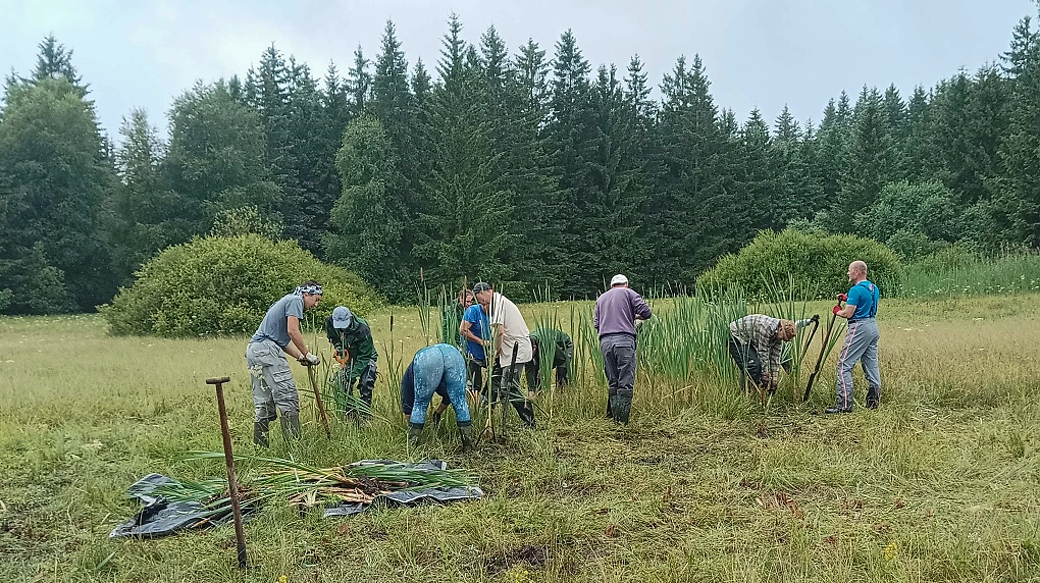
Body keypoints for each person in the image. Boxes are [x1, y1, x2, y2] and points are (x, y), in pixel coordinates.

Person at [246, 280, 323, 447]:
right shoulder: (295, 301)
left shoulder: (286, 301)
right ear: (306, 294)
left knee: (264, 402)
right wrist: (307, 353)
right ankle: (294, 447)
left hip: (255, 350)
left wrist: (300, 357)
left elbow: (282, 340)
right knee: (288, 397)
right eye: (316, 299)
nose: (316, 304)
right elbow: (292, 330)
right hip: (267, 350)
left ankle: (260, 447)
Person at [473, 282, 536, 427]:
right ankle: (484, 417)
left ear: (485, 292)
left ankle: (530, 421)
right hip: (507, 352)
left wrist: (495, 352)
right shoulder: (497, 301)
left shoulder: (497, 303)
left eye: (480, 298)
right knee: (493, 381)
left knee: (509, 388)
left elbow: (499, 332)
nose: (481, 302)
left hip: (515, 351)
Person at [594, 274, 652, 423]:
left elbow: (596, 324)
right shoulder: (630, 293)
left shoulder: (601, 299)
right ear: (626, 284)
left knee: (613, 380)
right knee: (625, 379)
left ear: (611, 285)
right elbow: (646, 313)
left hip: (605, 342)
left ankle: (613, 418)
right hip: (624, 340)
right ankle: (621, 422)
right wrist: (633, 316)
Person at [829, 260, 881, 413]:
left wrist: (837, 310)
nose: (848, 273)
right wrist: (847, 299)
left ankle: (844, 406)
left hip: (859, 327)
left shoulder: (855, 290)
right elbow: (866, 301)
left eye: (850, 270)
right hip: (872, 326)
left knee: (844, 365)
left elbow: (848, 313)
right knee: (871, 365)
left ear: (857, 272)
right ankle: (873, 402)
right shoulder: (873, 288)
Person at [402, 343, 475, 451]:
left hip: (427, 360)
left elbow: (408, 408)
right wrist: (438, 412)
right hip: (453, 355)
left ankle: (413, 448)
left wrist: (413, 426)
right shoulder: (451, 355)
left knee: (420, 404)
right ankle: (468, 446)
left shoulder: (407, 380)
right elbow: (450, 395)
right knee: (460, 401)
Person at [728, 314, 817, 393]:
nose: (782, 339)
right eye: (784, 337)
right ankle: (746, 394)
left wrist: (774, 380)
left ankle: (754, 394)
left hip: (749, 338)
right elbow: (763, 354)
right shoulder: (765, 329)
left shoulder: (778, 334)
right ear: (780, 329)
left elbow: (775, 358)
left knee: (757, 367)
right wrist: (765, 375)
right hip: (735, 335)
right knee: (752, 366)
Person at [325, 306, 378, 417]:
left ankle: (365, 415)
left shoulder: (362, 328)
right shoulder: (330, 322)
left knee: (366, 382)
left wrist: (352, 376)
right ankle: (350, 414)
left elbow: (365, 356)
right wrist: (339, 347)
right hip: (349, 356)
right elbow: (332, 337)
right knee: (342, 382)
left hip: (366, 357)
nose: (342, 329)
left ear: (350, 318)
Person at [459, 295, 491, 395]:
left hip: (489, 353)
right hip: (472, 353)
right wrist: (481, 341)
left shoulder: (495, 314)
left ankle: (486, 402)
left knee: (495, 379)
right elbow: (463, 330)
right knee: (475, 385)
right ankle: (473, 407)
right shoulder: (473, 311)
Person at [528, 327, 573, 392]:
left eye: (532, 354)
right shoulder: (526, 346)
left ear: (534, 348)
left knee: (561, 374)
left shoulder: (546, 342)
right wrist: (531, 390)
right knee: (536, 372)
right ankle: (538, 395)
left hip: (563, 347)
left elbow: (559, 359)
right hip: (544, 348)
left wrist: (543, 369)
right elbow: (529, 369)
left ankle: (562, 395)